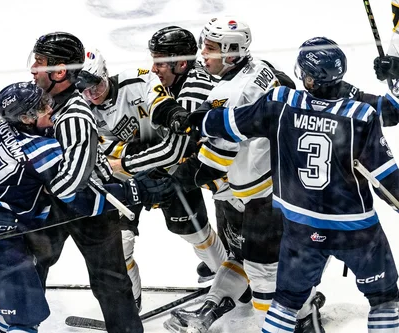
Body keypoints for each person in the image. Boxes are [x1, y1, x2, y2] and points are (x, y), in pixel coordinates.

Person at [180, 37, 399, 333]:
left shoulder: (282, 103)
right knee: (384, 299)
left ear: (307, 77)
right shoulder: (360, 115)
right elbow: (388, 180)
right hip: (356, 232)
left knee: (284, 302)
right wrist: (396, 79)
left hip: (301, 230)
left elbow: (230, 123)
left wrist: (198, 120)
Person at [0, 82, 175, 333]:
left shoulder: (0, 122)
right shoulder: (38, 151)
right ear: (25, 118)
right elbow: (80, 198)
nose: (50, 108)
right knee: (23, 319)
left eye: (45, 101)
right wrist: (134, 191)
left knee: (14, 309)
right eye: (40, 107)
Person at [158, 18, 324, 333]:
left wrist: (171, 182)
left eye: (209, 48)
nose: (202, 55)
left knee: (262, 272)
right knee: (265, 265)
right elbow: (284, 85)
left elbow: (215, 161)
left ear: (232, 52)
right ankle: (304, 320)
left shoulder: (230, 93)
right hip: (286, 181)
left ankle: (289, 325)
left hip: (266, 194)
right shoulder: (261, 68)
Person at [26, 31, 160, 332]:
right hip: (61, 203)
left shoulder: (75, 116)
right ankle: (19, 324)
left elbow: (70, 183)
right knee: (30, 270)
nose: (34, 69)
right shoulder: (39, 99)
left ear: (60, 71)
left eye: (40, 62)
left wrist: (38, 191)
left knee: (110, 284)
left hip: (91, 208)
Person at [75, 46, 227, 310]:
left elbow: (162, 109)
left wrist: (165, 124)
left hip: (170, 172)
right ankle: (129, 305)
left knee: (196, 234)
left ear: (105, 73)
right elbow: (103, 153)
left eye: (96, 85)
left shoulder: (139, 77)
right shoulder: (82, 112)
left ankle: (230, 282)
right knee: (119, 244)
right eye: (85, 91)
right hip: (127, 179)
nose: (93, 94)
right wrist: (129, 157)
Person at [148, 25, 228, 282]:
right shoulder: (185, 78)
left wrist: (126, 164)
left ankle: (236, 281)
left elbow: (175, 153)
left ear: (181, 64)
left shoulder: (192, 94)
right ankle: (228, 264)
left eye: (160, 63)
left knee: (246, 237)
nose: (153, 69)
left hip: (236, 174)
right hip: (221, 167)